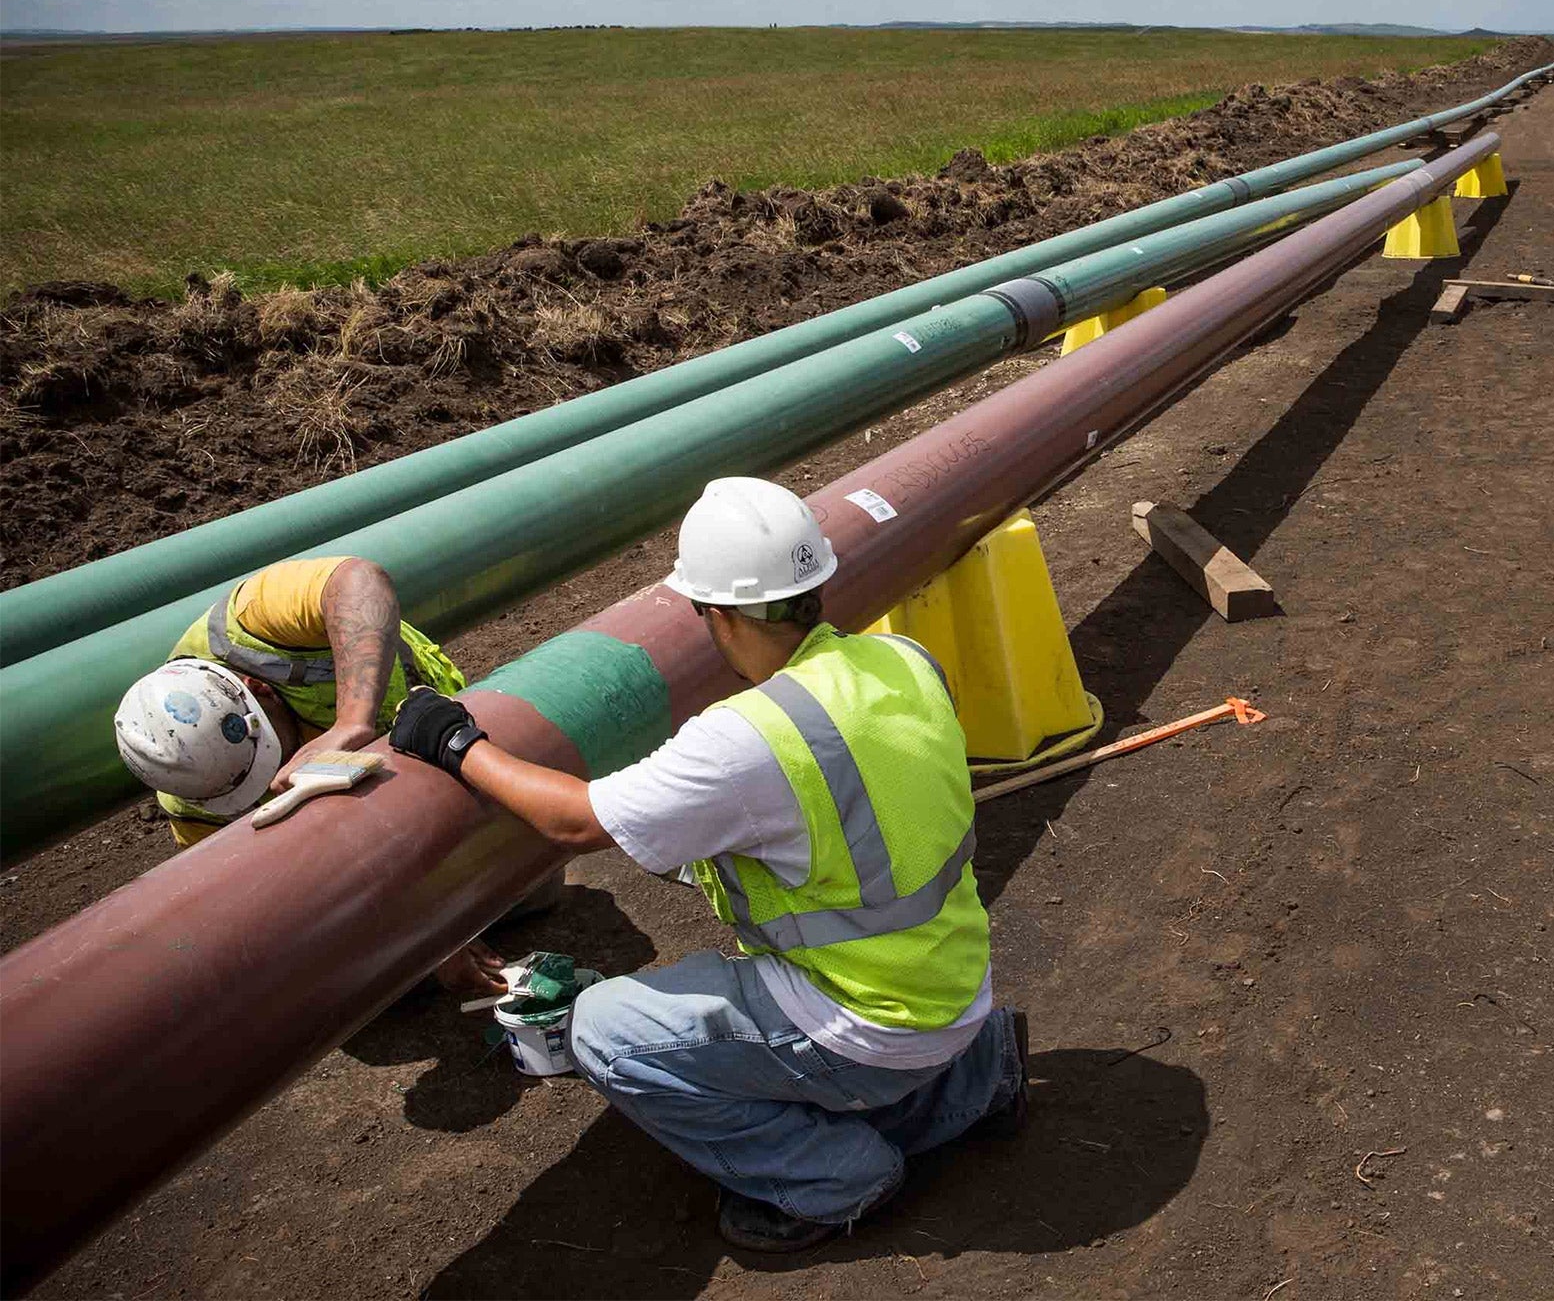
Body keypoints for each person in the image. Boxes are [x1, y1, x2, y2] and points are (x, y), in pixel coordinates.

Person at [388, 477, 1026, 1255]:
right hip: (953, 988)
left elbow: (576, 819)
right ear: (813, 589)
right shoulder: (902, 659)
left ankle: (830, 1178)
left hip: (871, 1019)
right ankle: (974, 1073)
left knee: (604, 1031)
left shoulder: (748, 737)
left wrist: (456, 742)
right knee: (826, 1019)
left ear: (715, 614)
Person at [114, 556, 509, 994]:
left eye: (269, 754)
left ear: (257, 687)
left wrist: (350, 723)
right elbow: (275, 901)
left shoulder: (248, 623)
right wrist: (424, 924)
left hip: (432, 729)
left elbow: (360, 578)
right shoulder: (193, 792)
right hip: (360, 831)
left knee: (527, 886)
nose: (271, 778)